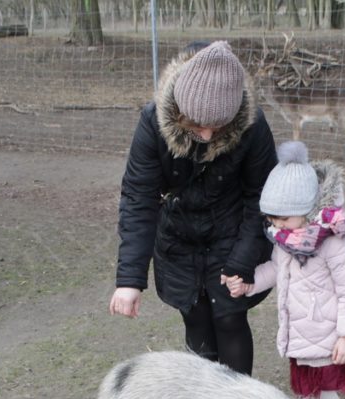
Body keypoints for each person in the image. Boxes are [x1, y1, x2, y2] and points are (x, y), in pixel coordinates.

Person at [109, 40, 277, 376]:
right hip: (178, 238)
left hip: (232, 233)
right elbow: (139, 198)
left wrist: (243, 260)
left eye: (219, 127)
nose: (207, 133)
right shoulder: (152, 122)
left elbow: (263, 199)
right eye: (198, 125)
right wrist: (130, 279)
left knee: (230, 316)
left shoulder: (253, 125)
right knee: (195, 315)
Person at [226, 141, 345, 399]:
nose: (276, 225)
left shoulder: (334, 239)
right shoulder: (286, 237)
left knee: (325, 392)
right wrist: (249, 284)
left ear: (307, 209)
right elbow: (276, 268)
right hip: (299, 332)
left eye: (283, 218)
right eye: (272, 218)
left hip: (327, 333)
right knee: (306, 391)